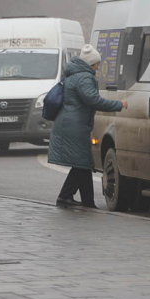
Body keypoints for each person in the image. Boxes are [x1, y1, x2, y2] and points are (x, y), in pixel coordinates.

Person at [48, 44, 126, 209]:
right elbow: (93, 100)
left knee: (83, 164)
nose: (98, 67)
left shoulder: (74, 74)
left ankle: (87, 202)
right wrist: (119, 104)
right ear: (91, 64)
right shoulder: (84, 77)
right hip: (74, 126)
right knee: (81, 163)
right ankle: (64, 197)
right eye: (97, 64)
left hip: (71, 124)